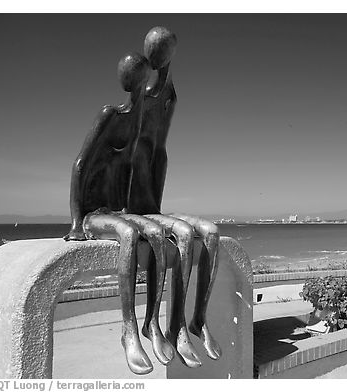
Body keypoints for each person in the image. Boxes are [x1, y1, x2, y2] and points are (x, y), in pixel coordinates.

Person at [64, 53, 171, 375]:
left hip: (117, 210)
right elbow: (80, 164)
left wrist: (165, 64)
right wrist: (75, 223)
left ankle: (153, 323)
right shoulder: (111, 114)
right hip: (93, 215)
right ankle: (128, 330)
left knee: (154, 233)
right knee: (127, 235)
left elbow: (165, 89)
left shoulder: (142, 119)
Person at [127, 26, 221, 366]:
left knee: (210, 232)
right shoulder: (143, 90)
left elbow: (159, 149)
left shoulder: (168, 89)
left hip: (155, 191)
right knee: (180, 233)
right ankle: (163, 325)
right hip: (136, 202)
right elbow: (130, 152)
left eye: (166, 49)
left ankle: (194, 320)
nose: (163, 56)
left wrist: (155, 203)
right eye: (158, 50)